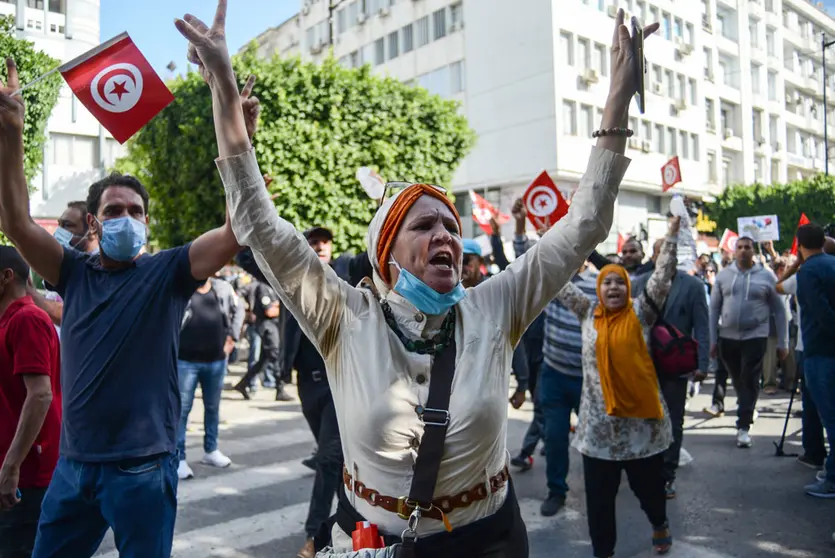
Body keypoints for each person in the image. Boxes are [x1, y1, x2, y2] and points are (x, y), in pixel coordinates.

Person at [175, 3, 654, 553]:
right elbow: (257, 221)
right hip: (369, 539)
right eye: (424, 225)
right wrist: (224, 96)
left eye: (451, 225)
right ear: (385, 254)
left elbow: (585, 223)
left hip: (488, 538)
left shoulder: (493, 306)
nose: (446, 235)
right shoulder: (342, 316)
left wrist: (616, 97)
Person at [0, 54, 255, 556]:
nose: (125, 218)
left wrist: (239, 136)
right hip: (73, 469)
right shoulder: (72, 273)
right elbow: (15, 221)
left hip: (142, 469)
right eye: (113, 211)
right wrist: (10, 133)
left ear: (146, 222)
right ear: (94, 224)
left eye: (135, 211)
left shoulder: (168, 271)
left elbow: (236, 228)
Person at [555, 218, 680, 558]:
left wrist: (672, 234)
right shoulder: (587, 313)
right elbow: (556, 281)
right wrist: (553, 239)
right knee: (598, 502)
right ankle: (603, 552)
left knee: (650, 491)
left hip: (641, 429)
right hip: (598, 433)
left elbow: (663, 275)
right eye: (606, 282)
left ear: (628, 288)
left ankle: (659, 522)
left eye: (619, 283)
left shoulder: (641, 313)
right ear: (597, 289)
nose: (613, 288)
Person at [634, 237, 709, 499]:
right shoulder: (639, 284)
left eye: (670, 253)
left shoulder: (694, 286)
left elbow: (702, 325)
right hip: (643, 366)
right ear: (653, 257)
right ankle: (645, 469)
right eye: (659, 252)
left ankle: (667, 475)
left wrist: (702, 364)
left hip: (676, 366)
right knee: (644, 419)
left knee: (673, 421)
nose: (664, 257)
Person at [0, 247, 61, 558]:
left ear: (6, 277)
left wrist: (11, 468)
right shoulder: (8, 320)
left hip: (26, 475)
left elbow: (40, 394)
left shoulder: (27, 319)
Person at [709, 236, 788, 448]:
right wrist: (711, 339)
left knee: (750, 378)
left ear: (753, 251)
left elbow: (779, 311)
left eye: (747, 247)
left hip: (756, 336)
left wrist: (783, 342)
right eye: (740, 247)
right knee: (738, 379)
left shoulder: (766, 276)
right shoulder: (724, 276)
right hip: (728, 337)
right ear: (734, 251)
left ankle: (743, 426)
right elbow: (714, 308)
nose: (743, 251)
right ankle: (747, 405)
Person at [177, 276, 244, 480]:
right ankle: (178, 457)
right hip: (185, 361)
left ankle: (211, 450)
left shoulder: (222, 288)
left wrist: (232, 337)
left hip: (216, 361)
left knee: (213, 407)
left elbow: (239, 308)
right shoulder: (182, 288)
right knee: (182, 410)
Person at [793, 224, 835, 498]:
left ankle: (832, 479)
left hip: (820, 351)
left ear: (800, 245)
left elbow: (821, 312)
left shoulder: (807, 271)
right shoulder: (831, 263)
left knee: (830, 418)